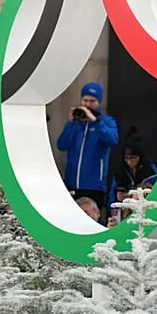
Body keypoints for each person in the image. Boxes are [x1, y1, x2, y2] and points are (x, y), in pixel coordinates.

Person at [56, 82, 119, 216]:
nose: (88, 104)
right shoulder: (75, 124)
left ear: (99, 101)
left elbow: (112, 140)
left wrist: (95, 121)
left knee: (91, 218)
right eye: (85, 100)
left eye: (92, 101)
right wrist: (71, 123)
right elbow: (61, 145)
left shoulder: (106, 121)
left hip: (94, 185)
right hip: (72, 183)